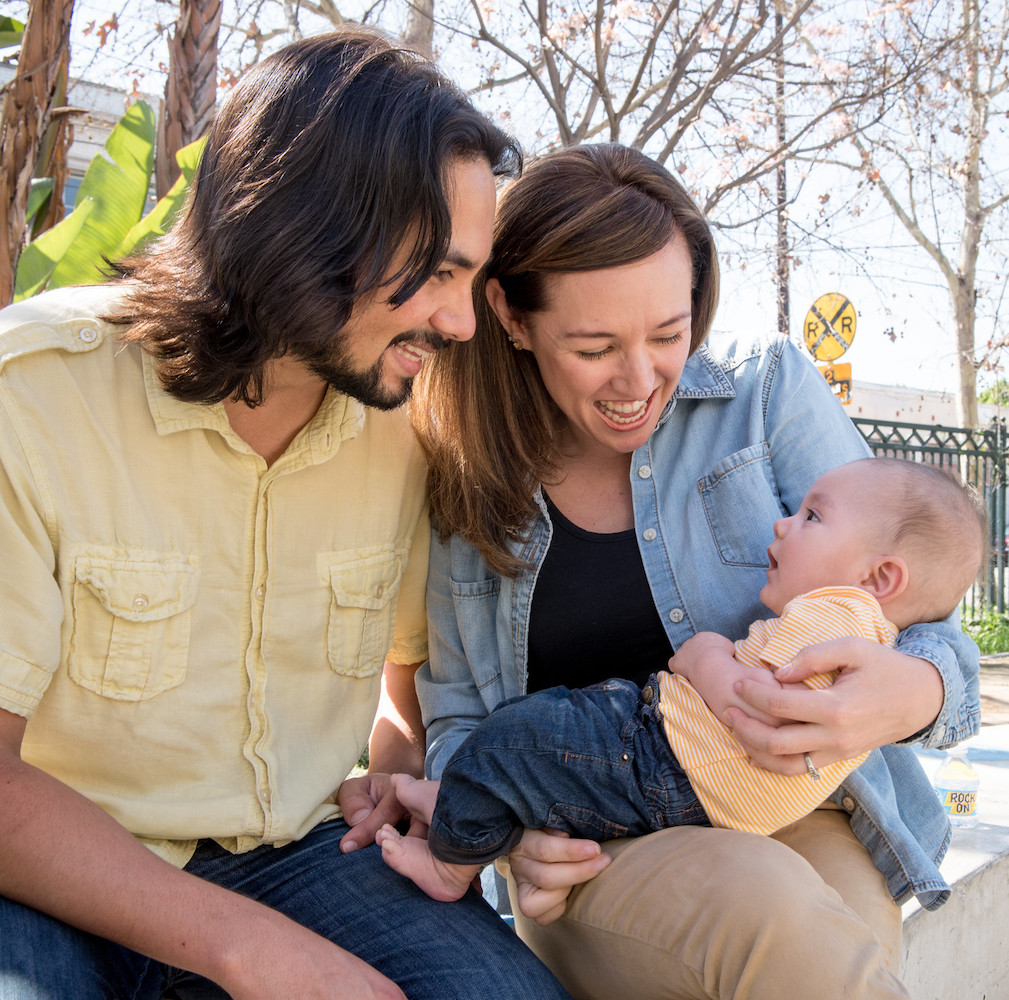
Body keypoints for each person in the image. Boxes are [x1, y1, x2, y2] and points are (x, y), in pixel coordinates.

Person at [0, 28, 574, 1000]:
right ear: (308, 228)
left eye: (469, 279)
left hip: (296, 855)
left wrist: (399, 786)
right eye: (436, 271)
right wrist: (250, 950)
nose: (461, 320)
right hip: (44, 869)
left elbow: (406, 677)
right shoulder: (32, 394)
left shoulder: (400, 427)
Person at [407, 143, 981, 999]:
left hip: (800, 808)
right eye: (594, 345)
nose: (640, 380)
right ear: (513, 317)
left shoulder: (764, 391)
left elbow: (923, 599)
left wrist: (912, 692)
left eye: (668, 333)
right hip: (599, 837)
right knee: (779, 926)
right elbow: (454, 721)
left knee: (841, 937)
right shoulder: (467, 477)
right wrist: (502, 833)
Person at [376, 456, 987, 901]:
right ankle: (469, 807)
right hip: (700, 791)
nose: (783, 524)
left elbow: (756, 703)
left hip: (666, 763)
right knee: (538, 755)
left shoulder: (838, 615)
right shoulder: (858, 630)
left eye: (812, 516)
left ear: (879, 579)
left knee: (514, 738)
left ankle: (451, 865)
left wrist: (703, 654)